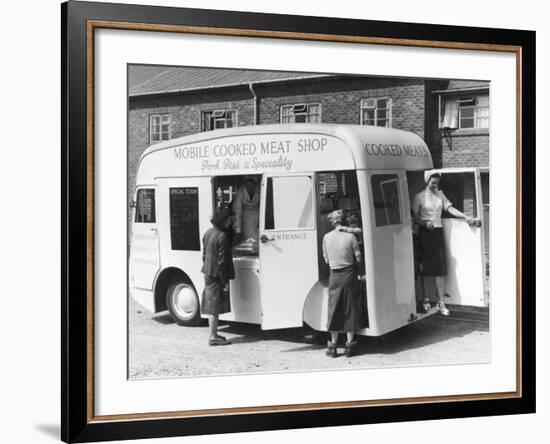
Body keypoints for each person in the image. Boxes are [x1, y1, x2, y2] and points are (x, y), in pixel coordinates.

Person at [412, 172, 474, 316]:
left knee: (439, 268)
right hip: (425, 233)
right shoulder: (419, 197)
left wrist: (466, 216)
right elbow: (415, 218)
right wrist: (425, 223)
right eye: (433, 182)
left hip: (438, 232)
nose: (435, 185)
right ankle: (425, 299)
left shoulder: (441, 195)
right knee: (425, 267)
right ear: (427, 181)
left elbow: (450, 209)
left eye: (437, 183)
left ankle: (441, 302)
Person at [322, 210, 366, 358]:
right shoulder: (351, 237)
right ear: (343, 221)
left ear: (332, 222)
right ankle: (350, 346)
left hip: (334, 275)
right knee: (350, 309)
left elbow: (327, 260)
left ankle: (332, 346)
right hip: (350, 275)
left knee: (334, 309)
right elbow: (358, 258)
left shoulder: (326, 238)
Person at [201, 205, 235, 346]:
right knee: (214, 307)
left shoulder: (208, 232)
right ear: (224, 220)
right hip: (216, 274)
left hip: (208, 271)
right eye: (229, 219)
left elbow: (204, 254)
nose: (231, 221)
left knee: (211, 305)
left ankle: (214, 334)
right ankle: (212, 336)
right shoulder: (222, 237)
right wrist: (225, 281)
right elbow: (222, 262)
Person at [232, 177, 260, 243]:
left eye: (252, 185)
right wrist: (237, 230)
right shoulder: (240, 192)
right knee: (246, 240)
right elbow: (237, 210)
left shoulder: (259, 189)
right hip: (243, 218)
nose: (250, 187)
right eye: (248, 186)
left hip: (257, 216)